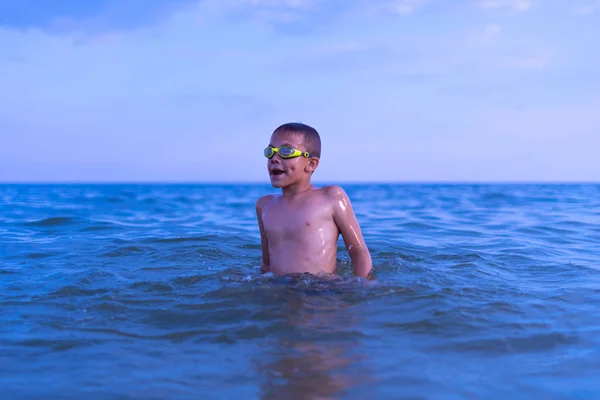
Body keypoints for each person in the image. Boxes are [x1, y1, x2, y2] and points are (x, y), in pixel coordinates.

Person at [255, 122, 373, 279]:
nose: (274, 159)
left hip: (321, 289)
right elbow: (267, 264)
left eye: (286, 151)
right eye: (270, 152)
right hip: (279, 289)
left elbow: (358, 251)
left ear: (311, 164)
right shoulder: (265, 206)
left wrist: (364, 285)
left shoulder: (330, 197)